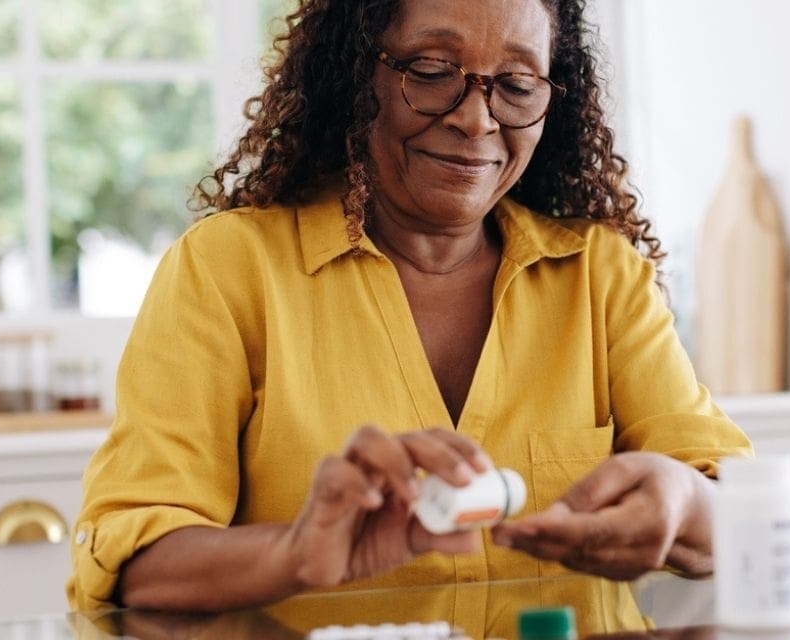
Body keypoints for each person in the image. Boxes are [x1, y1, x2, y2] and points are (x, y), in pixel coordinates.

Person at [67, 0, 752, 613]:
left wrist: (686, 502)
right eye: (430, 70)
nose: (476, 117)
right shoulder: (230, 268)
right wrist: (297, 552)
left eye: (516, 85)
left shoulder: (601, 276)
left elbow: (743, 513)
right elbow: (137, 562)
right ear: (356, 75)